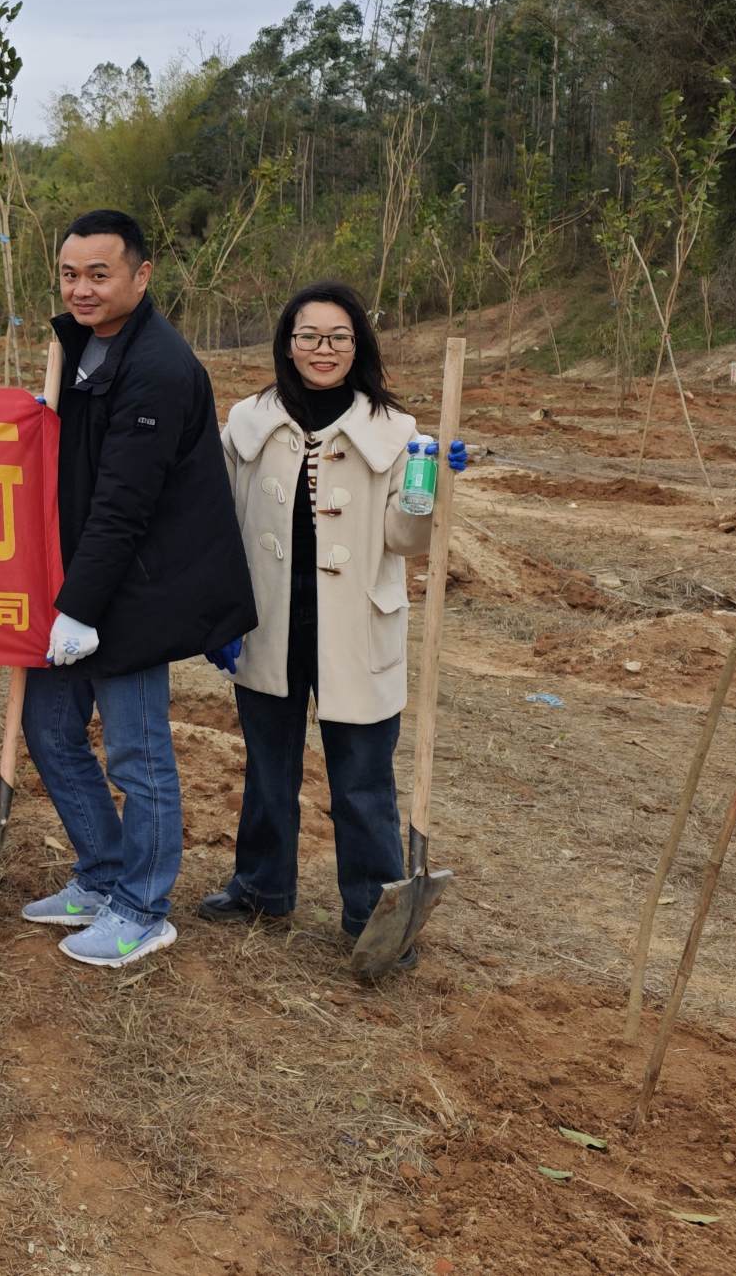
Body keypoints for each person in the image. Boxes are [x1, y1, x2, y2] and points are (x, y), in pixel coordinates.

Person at [201, 281, 465, 963]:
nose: (323, 349)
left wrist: (431, 487)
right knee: (268, 768)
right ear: (287, 344)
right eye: (309, 336)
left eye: (338, 337)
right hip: (269, 620)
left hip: (356, 626)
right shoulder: (248, 422)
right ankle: (260, 887)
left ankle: (371, 914)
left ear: (357, 345)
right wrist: (217, 610)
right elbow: (218, 520)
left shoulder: (395, 432)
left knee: (362, 780)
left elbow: (405, 541)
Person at [23, 209, 255, 968]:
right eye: (69, 275)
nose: (81, 289)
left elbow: (124, 503)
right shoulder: (82, 345)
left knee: (136, 752)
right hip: (79, 582)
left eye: (99, 274)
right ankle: (100, 873)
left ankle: (142, 907)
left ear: (141, 274)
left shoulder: (157, 364)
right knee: (49, 729)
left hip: (136, 591)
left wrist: (80, 608)